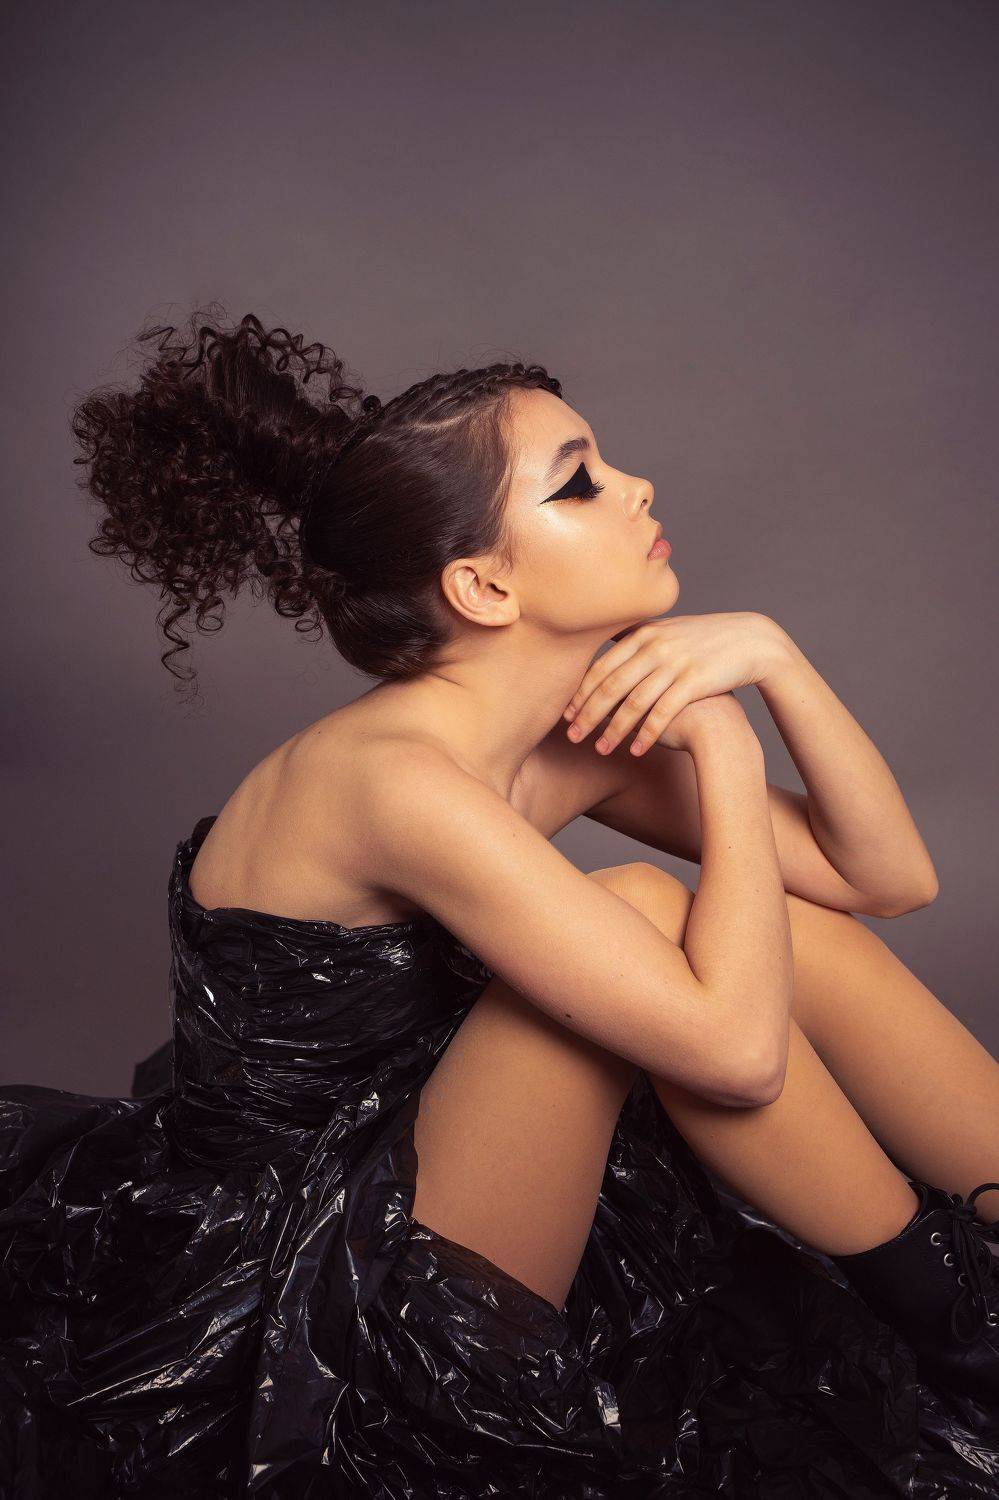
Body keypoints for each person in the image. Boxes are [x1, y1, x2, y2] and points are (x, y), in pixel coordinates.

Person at [1, 307, 996, 1499]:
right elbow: (736, 1056)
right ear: (480, 585)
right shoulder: (390, 779)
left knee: (790, 935)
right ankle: (962, 1329)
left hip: (447, 1145)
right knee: (644, 904)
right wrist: (728, 747)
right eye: (579, 483)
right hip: (316, 1266)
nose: (636, 486)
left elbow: (885, 880)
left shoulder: (556, 736)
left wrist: (777, 658)